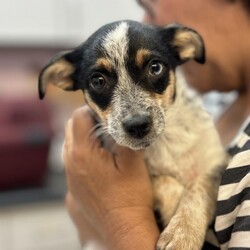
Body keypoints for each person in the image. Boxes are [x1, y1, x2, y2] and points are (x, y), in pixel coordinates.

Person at [63, 0, 250, 249]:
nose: (143, 23)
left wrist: (120, 216)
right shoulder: (211, 103)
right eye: (98, 81)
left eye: (149, 7)